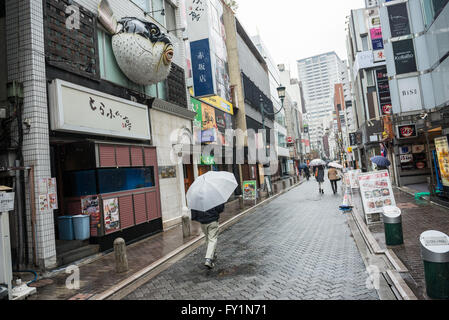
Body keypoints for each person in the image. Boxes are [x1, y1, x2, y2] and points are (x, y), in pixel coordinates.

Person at [191, 203, 225, 269]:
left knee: (208, 239)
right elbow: (220, 208)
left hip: (203, 222)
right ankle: (208, 259)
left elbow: (194, 211)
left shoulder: (197, 199)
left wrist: (196, 218)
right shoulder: (213, 195)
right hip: (212, 220)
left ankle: (213, 255)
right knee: (212, 239)